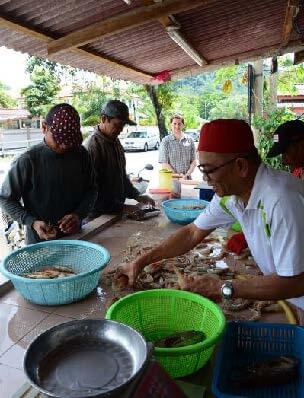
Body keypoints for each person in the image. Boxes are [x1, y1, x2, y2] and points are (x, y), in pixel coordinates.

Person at [117, 119, 304, 324]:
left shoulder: (281, 200)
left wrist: (222, 287)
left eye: (208, 170)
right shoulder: (231, 195)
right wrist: (141, 262)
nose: (205, 178)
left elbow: (295, 283)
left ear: (240, 166)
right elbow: (192, 233)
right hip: (285, 293)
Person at [0, 103, 95, 244]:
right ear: (44, 127)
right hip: (40, 242)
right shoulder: (28, 160)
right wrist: (32, 222)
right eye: (59, 139)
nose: (65, 146)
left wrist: (78, 214)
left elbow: (92, 189)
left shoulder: (81, 154)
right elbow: (6, 199)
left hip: (76, 237)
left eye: (70, 140)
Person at [85, 99, 154, 217]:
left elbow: (121, 176)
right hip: (97, 216)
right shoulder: (92, 146)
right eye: (117, 125)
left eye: (123, 125)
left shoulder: (115, 142)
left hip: (116, 211)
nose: (121, 130)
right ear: (103, 119)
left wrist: (137, 195)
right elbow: (91, 190)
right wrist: (122, 207)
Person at [159, 114, 196, 179]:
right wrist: (178, 176)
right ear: (171, 125)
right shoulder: (165, 141)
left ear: (183, 125)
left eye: (179, 124)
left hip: (187, 179)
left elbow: (194, 161)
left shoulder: (190, 140)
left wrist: (187, 174)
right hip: (172, 180)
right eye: (174, 123)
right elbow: (164, 163)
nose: (177, 126)